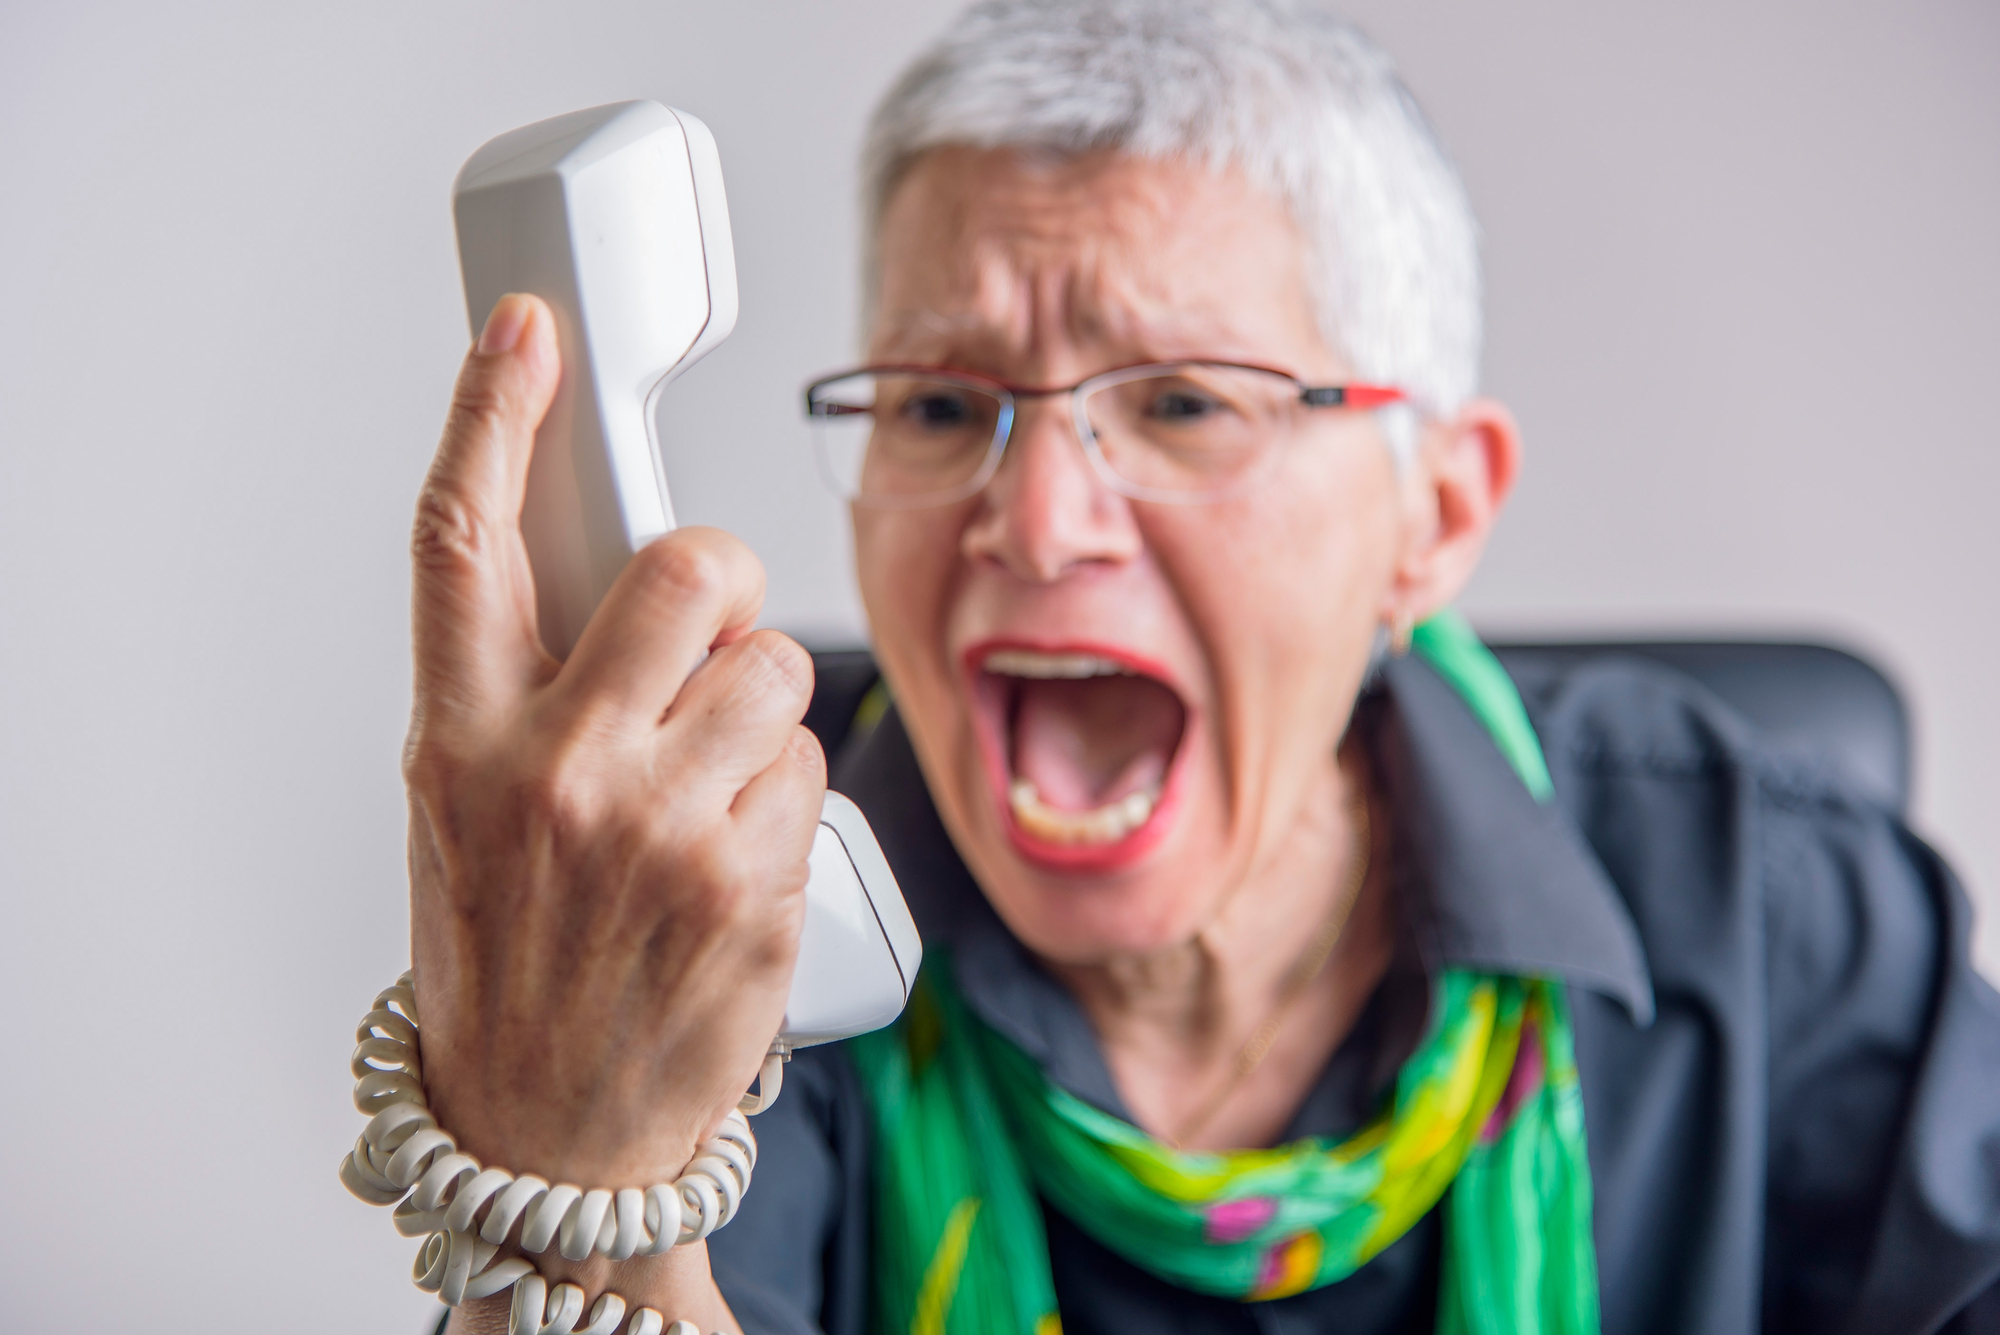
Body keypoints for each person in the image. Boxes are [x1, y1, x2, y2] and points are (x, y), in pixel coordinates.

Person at [391, 1, 2000, 1331]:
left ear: (1432, 520)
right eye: (941, 410)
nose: (1033, 520)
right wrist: (580, 1158)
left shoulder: (1767, 897)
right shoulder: (731, 957)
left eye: (1179, 403)